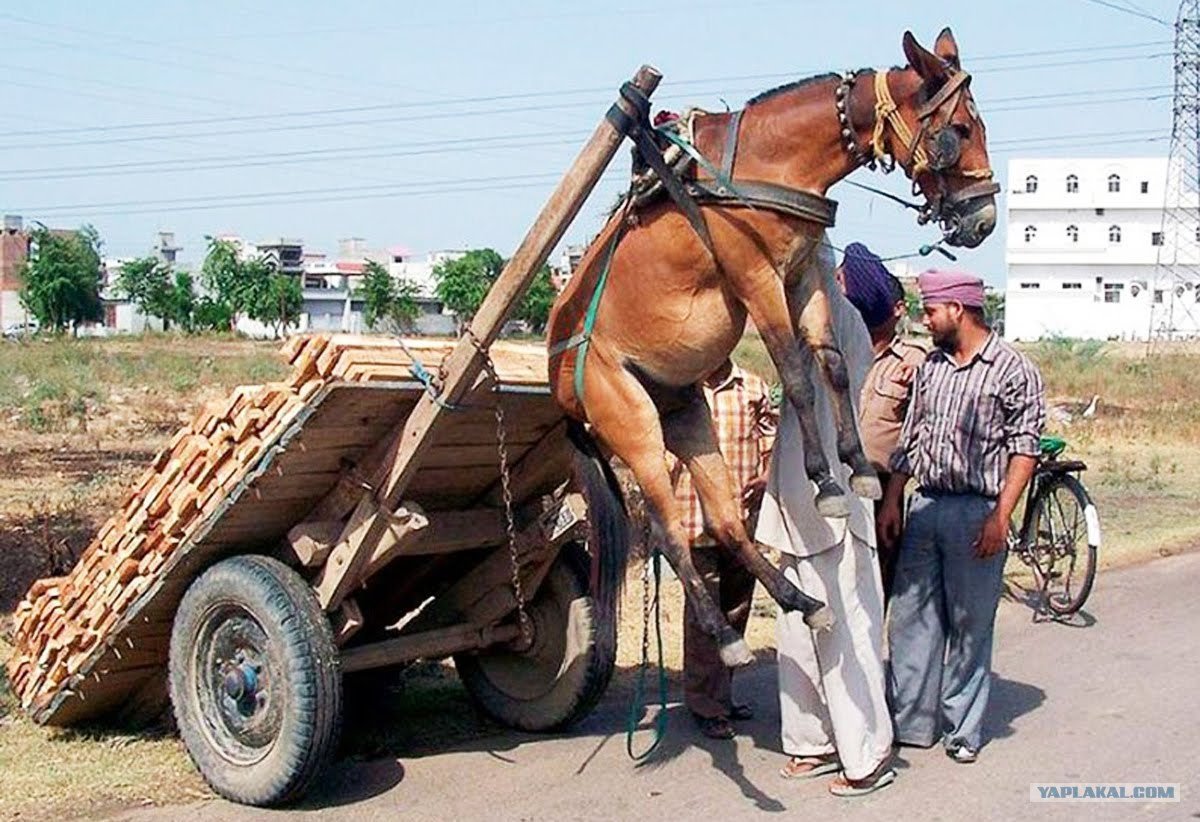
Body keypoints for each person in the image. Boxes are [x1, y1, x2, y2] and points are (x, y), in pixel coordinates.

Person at [879, 269, 1046, 765]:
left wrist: (1001, 516)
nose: (925, 320)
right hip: (926, 506)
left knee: (970, 625)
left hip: (977, 512)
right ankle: (911, 723)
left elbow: (1024, 449)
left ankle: (962, 730)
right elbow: (911, 439)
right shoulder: (930, 367)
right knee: (910, 622)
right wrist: (893, 499)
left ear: (959, 309)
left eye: (931, 311)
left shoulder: (1013, 369)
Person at [756, 242, 896, 797]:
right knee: (795, 633)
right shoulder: (811, 318)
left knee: (848, 632)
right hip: (797, 503)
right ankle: (810, 742)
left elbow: (809, 256)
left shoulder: (841, 317)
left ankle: (867, 754)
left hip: (836, 506)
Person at [670, 358, 777, 740]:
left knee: (736, 609)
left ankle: (723, 695)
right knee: (705, 618)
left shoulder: (752, 387)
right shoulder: (677, 387)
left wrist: (767, 472)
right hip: (692, 519)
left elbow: (770, 434)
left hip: (740, 524)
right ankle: (705, 704)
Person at [839, 242, 927, 601]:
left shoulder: (913, 361)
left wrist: (892, 500)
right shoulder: (842, 353)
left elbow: (913, 438)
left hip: (880, 488)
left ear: (899, 310)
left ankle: (870, 656)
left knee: (874, 586)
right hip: (837, 482)